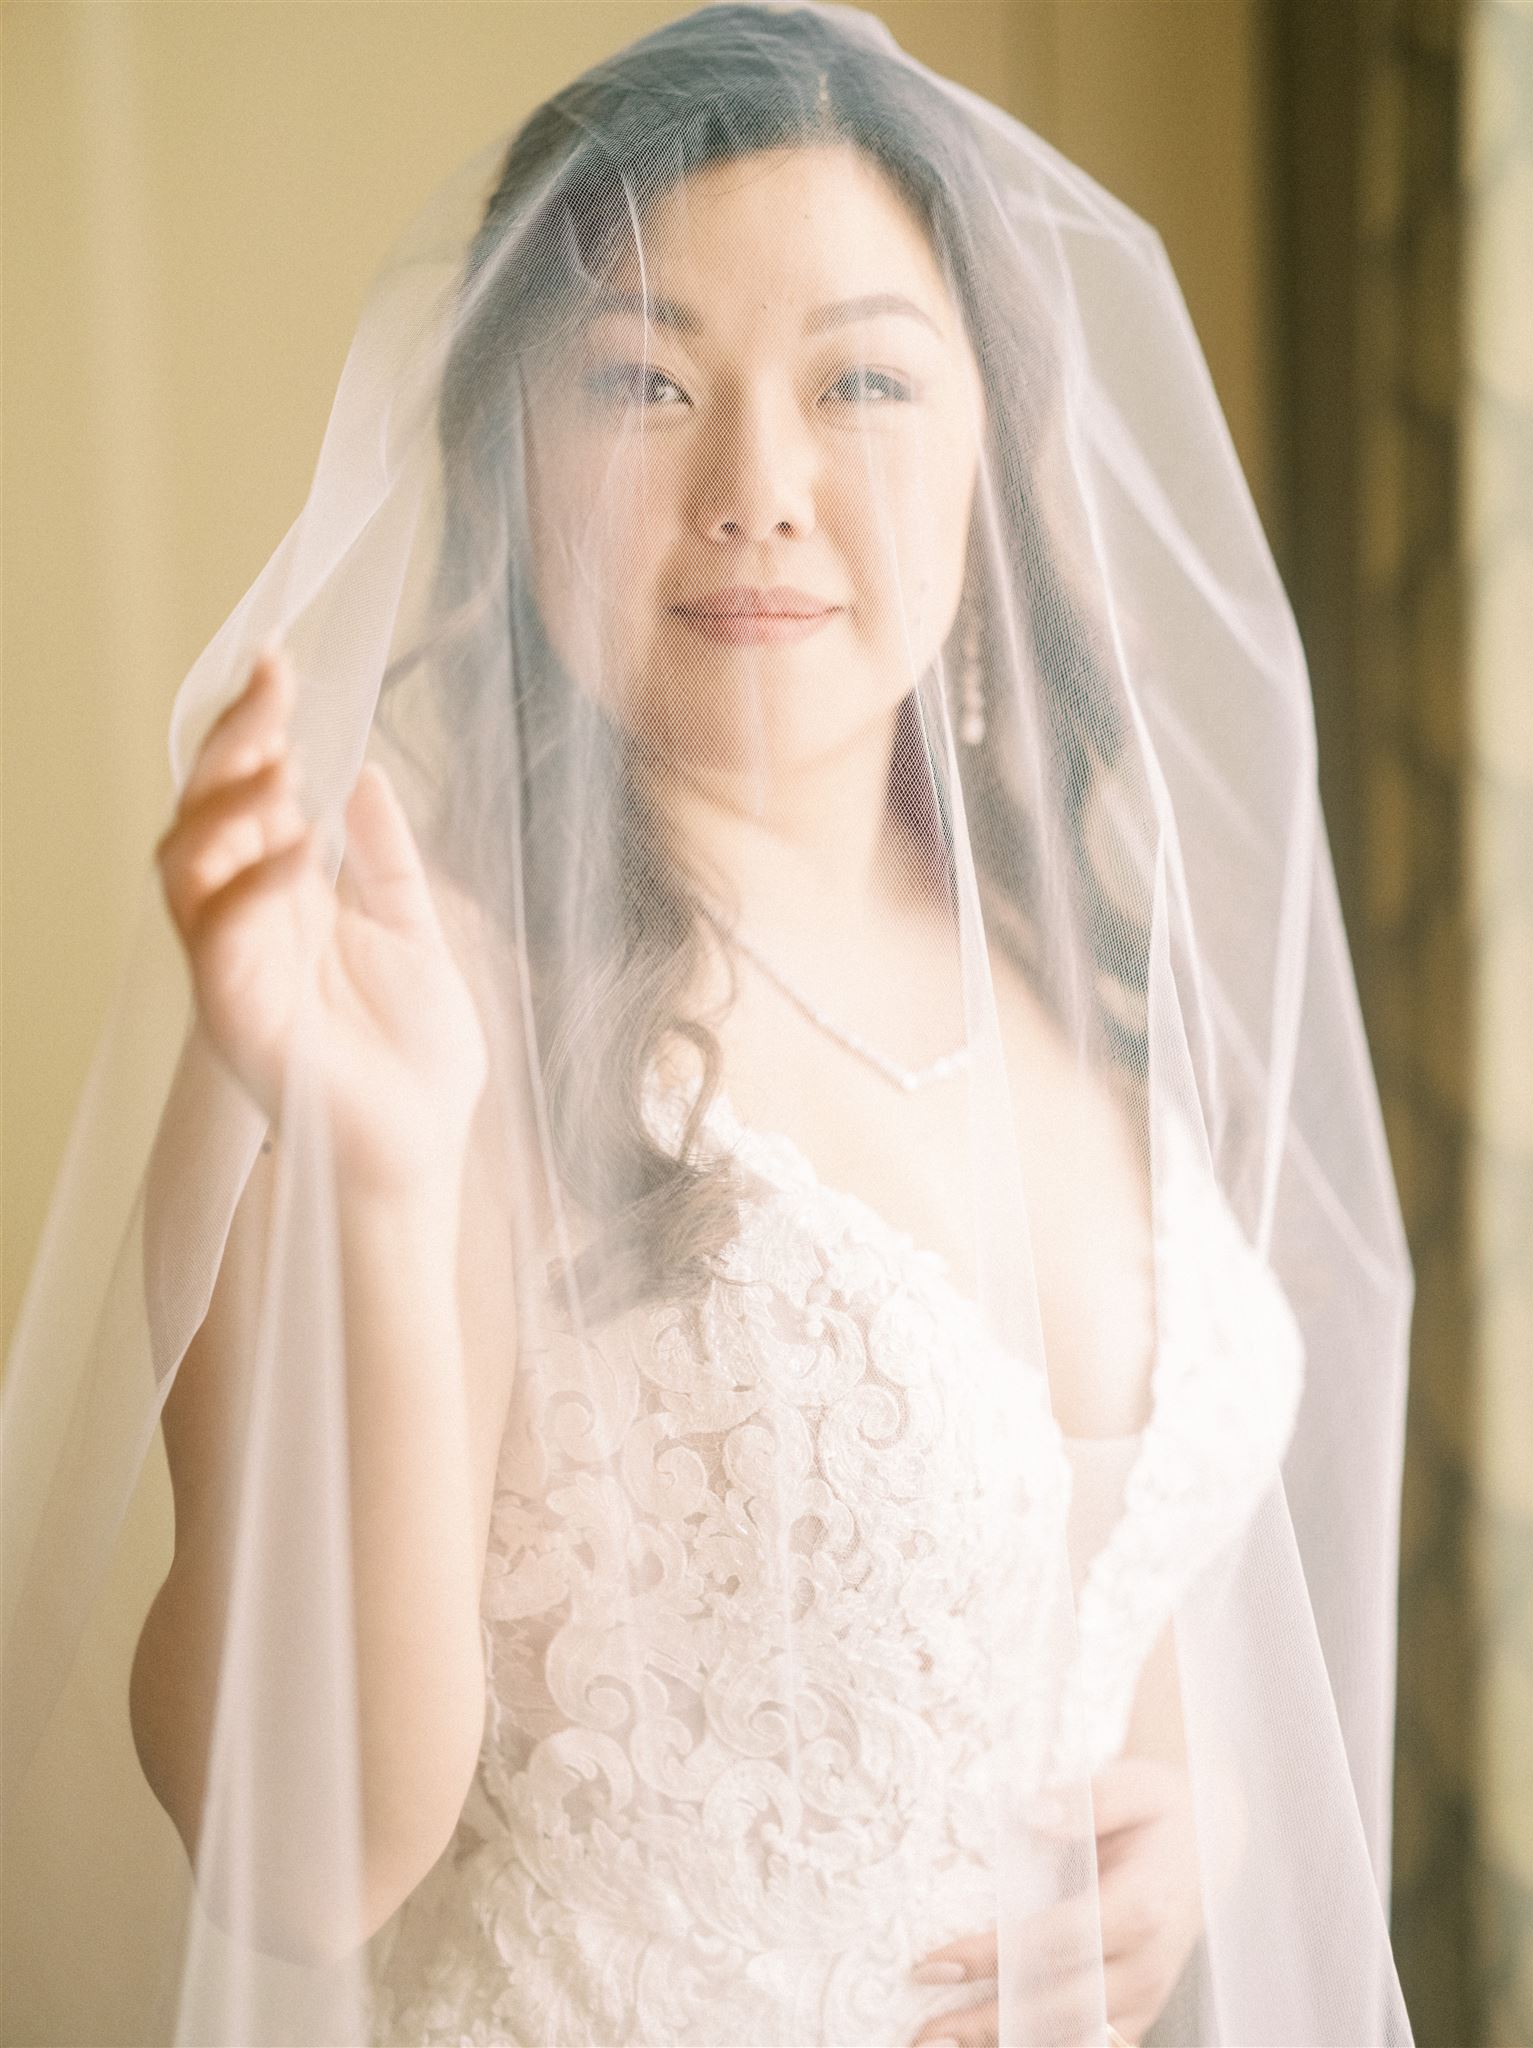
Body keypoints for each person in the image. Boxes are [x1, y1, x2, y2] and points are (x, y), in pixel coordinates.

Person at [1, 5, 1416, 2045]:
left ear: (995, 451)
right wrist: (387, 1183)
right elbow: (294, 1856)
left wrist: (1210, 1820)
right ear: (508, 455)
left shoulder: (1073, 961)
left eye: (863, 379)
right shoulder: (406, 1008)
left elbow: (1111, 1601)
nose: (761, 484)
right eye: (646, 380)